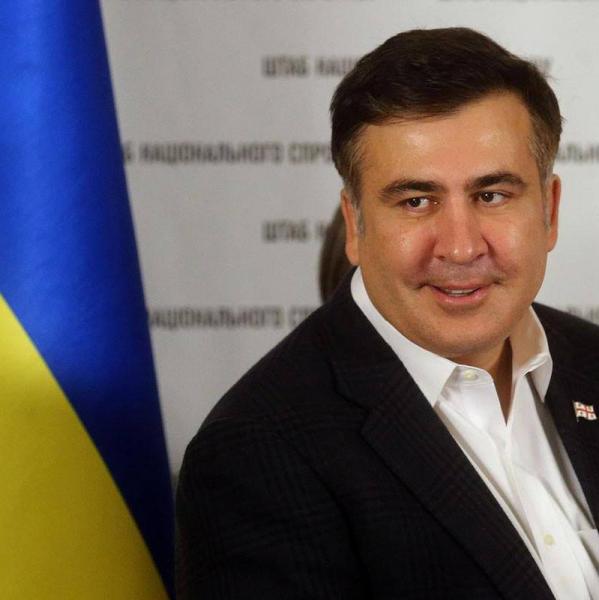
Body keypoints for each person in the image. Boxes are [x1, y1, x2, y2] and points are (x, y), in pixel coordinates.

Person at [176, 28, 599, 599]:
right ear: (354, 225)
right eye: (416, 201)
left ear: (549, 211)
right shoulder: (256, 456)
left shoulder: (591, 359)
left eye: (492, 195)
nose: (460, 247)